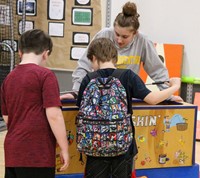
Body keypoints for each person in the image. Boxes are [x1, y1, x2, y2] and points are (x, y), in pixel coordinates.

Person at [76, 37, 180, 178]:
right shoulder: (128, 76)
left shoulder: (88, 79)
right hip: (123, 146)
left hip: (94, 146)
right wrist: (175, 87)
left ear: (93, 57)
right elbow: (153, 99)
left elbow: (80, 108)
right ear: (115, 58)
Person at [60, 1, 182, 102]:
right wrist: (77, 92)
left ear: (135, 33)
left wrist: (168, 95)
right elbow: (84, 66)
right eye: (117, 34)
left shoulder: (143, 41)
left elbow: (157, 70)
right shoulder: (103, 35)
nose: (119, 40)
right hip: (100, 94)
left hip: (126, 96)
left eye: (124, 37)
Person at [1, 29, 70, 178]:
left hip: (13, 151)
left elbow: (7, 117)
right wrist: (64, 148)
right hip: (37, 153)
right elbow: (54, 116)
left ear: (20, 52)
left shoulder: (8, 78)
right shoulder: (46, 76)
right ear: (46, 53)